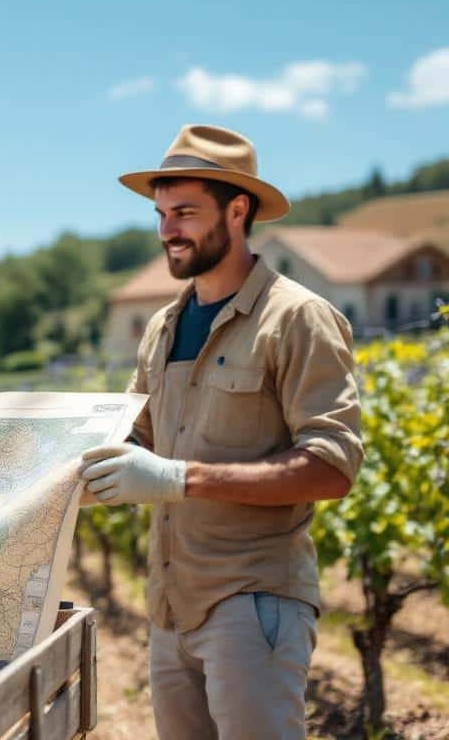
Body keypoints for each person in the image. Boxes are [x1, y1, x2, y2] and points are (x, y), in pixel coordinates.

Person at [79, 124, 363, 739]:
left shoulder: (297, 319)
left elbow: (332, 466)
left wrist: (181, 479)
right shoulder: (161, 327)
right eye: (161, 214)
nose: (167, 230)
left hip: (252, 602)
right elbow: (126, 440)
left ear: (238, 211)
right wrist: (3, 421)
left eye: (184, 213)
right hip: (169, 606)